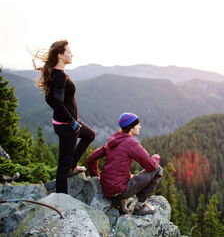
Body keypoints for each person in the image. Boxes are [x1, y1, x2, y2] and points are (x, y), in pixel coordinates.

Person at [32, 40, 95, 194]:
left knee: (89, 135)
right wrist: (71, 121)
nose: (72, 54)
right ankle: (61, 199)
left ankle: (72, 167)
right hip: (67, 126)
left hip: (67, 122)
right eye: (69, 52)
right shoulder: (59, 75)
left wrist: (70, 119)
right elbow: (58, 102)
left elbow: (49, 99)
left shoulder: (55, 72)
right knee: (62, 165)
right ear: (60, 55)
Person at [87, 113, 163, 215]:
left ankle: (119, 201)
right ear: (131, 127)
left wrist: (96, 177)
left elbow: (91, 158)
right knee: (158, 169)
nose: (140, 127)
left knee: (127, 173)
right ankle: (140, 205)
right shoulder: (131, 143)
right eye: (138, 124)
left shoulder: (113, 140)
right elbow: (150, 165)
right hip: (119, 189)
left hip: (107, 189)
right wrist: (156, 156)